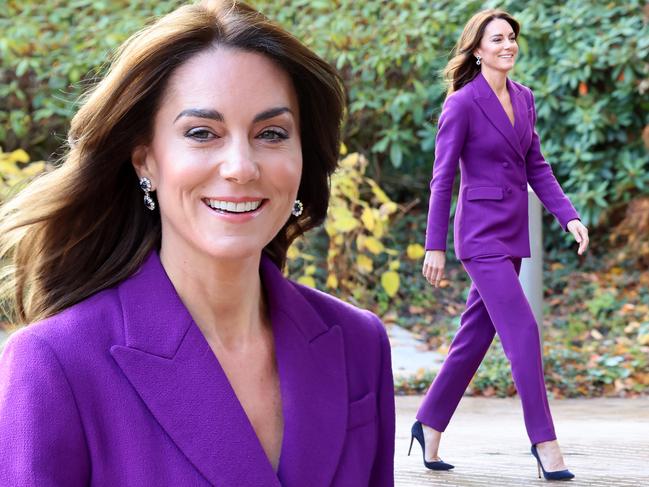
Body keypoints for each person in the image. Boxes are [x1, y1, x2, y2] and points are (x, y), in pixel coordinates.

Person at [0, 1, 395, 485]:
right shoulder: (56, 362)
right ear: (146, 159)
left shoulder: (359, 343)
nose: (241, 167)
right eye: (202, 133)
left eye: (271, 133)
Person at [410, 8, 589, 481]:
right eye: (497, 39)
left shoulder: (525, 98)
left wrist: (567, 215)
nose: (507, 45)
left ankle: (427, 423)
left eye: (511, 37)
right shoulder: (462, 104)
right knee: (524, 332)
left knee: (473, 338)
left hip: (513, 233)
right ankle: (545, 443)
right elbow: (442, 179)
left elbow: (538, 166)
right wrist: (434, 245)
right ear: (477, 49)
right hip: (479, 236)